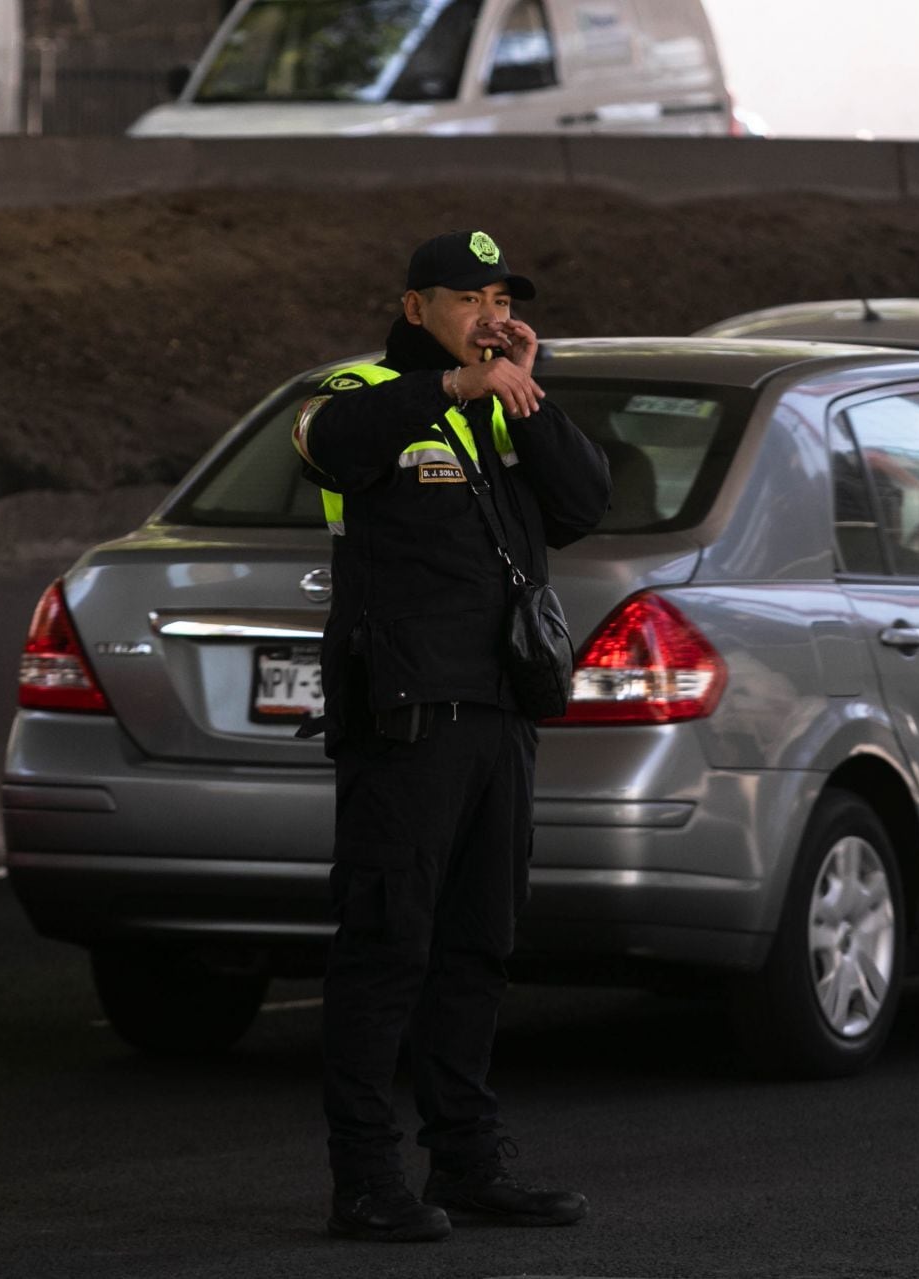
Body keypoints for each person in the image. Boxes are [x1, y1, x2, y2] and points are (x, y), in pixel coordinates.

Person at [291, 230, 610, 1243]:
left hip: (500, 713)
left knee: (478, 947)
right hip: (407, 717)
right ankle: (365, 1180)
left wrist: (528, 391)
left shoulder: (506, 403)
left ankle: (468, 1163)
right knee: (388, 945)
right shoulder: (368, 390)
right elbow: (328, 442)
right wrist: (451, 387)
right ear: (415, 306)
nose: (489, 315)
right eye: (468, 298)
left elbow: (586, 504)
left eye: (500, 299)